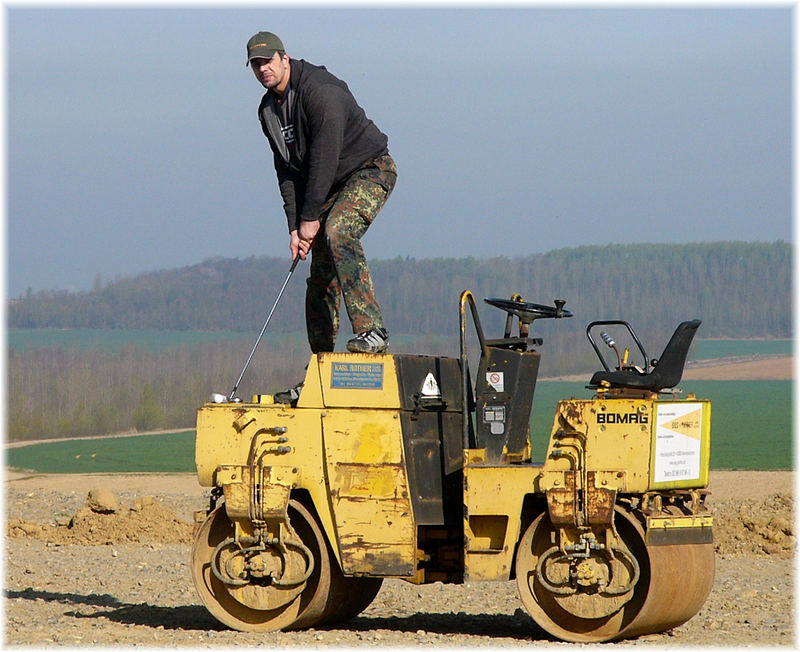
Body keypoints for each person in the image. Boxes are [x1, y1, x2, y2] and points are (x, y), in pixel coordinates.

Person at [246, 31, 397, 404]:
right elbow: (287, 172)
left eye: (267, 61)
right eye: (255, 64)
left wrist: (312, 218)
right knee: (319, 277)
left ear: (285, 58)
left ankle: (372, 331)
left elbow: (324, 158)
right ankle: (320, 371)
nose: (262, 69)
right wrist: (296, 227)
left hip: (368, 170)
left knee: (339, 231)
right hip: (323, 189)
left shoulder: (321, 91)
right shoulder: (268, 111)